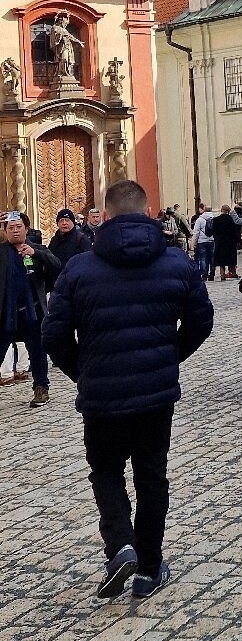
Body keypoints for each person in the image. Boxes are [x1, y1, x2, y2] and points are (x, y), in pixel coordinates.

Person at [43, 180, 214, 599]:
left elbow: (53, 333)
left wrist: (81, 370)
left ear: (105, 213)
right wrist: (169, 356)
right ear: (149, 209)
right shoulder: (176, 262)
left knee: (105, 471)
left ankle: (120, 543)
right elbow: (202, 320)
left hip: (102, 393)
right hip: (155, 392)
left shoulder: (79, 268)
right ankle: (149, 568)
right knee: (151, 475)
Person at [0, 212, 60, 408]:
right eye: (11, 227)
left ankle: (41, 388)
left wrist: (37, 254)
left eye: (19, 227)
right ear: (5, 231)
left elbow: (57, 266)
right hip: (6, 313)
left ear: (26, 229)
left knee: (37, 352)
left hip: (33, 312)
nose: (15, 230)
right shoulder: (2, 252)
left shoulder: (37, 249)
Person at [210, 204, 240, 280]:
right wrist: (238, 240)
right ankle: (233, 272)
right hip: (230, 243)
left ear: (221, 210)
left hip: (220, 242)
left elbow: (213, 231)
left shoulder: (216, 220)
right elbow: (235, 231)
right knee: (231, 259)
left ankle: (222, 275)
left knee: (221, 261)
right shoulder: (231, 220)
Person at [191, 206, 215, 280]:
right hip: (212, 240)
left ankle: (204, 275)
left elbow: (196, 232)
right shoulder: (214, 219)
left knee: (203, 258)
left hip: (201, 241)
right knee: (212, 258)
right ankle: (212, 274)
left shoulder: (200, 219)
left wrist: (194, 243)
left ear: (204, 211)